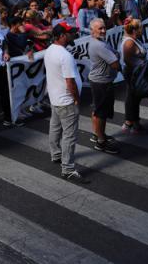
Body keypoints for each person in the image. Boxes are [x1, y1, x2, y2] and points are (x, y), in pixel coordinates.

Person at [44, 23, 87, 184]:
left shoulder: (50, 50)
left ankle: (56, 154)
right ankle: (68, 169)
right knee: (69, 135)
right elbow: (70, 81)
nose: (73, 35)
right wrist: (76, 98)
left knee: (55, 127)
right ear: (62, 35)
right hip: (66, 100)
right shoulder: (65, 55)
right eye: (70, 33)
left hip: (55, 97)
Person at [87, 18, 121, 154]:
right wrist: (116, 58)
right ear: (92, 30)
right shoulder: (99, 45)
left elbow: (115, 55)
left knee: (98, 110)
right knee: (102, 113)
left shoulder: (100, 41)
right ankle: (101, 142)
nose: (103, 30)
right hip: (102, 83)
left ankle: (98, 134)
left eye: (104, 28)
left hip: (100, 81)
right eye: (99, 28)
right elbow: (115, 64)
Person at [121, 18, 148, 134]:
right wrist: (141, 69)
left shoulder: (134, 39)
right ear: (135, 29)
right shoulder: (129, 42)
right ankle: (132, 123)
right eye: (140, 27)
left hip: (136, 72)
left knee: (134, 97)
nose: (142, 29)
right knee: (133, 97)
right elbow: (128, 61)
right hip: (134, 73)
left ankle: (133, 122)